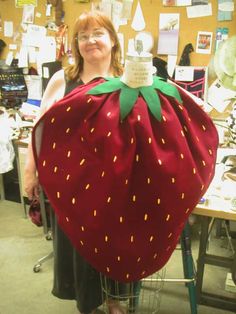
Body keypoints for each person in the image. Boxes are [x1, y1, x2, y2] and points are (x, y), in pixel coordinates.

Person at [24, 10, 124, 314]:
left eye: (98, 34)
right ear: (76, 44)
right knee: (81, 253)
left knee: (116, 248)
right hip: (71, 189)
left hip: (115, 187)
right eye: (83, 36)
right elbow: (39, 129)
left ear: (112, 41)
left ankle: (115, 301)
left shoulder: (127, 80)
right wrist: (31, 172)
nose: (91, 41)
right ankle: (88, 305)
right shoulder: (63, 79)